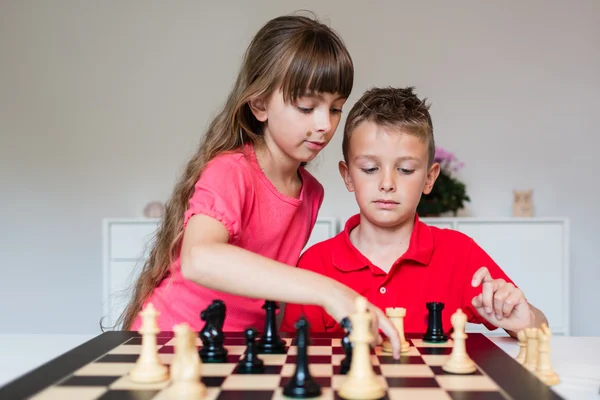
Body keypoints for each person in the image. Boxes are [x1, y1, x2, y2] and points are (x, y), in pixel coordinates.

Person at [113, 13, 402, 357]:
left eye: (336, 108)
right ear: (260, 104)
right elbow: (198, 258)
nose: (325, 124)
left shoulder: (311, 193)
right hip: (169, 343)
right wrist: (329, 291)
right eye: (306, 106)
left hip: (237, 350)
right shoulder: (231, 170)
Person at [281, 86, 548, 338]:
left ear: (430, 178)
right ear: (347, 176)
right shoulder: (316, 265)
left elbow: (538, 327)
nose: (387, 184)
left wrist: (524, 319)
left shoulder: (459, 254)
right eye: (370, 169)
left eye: (406, 170)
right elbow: (295, 355)